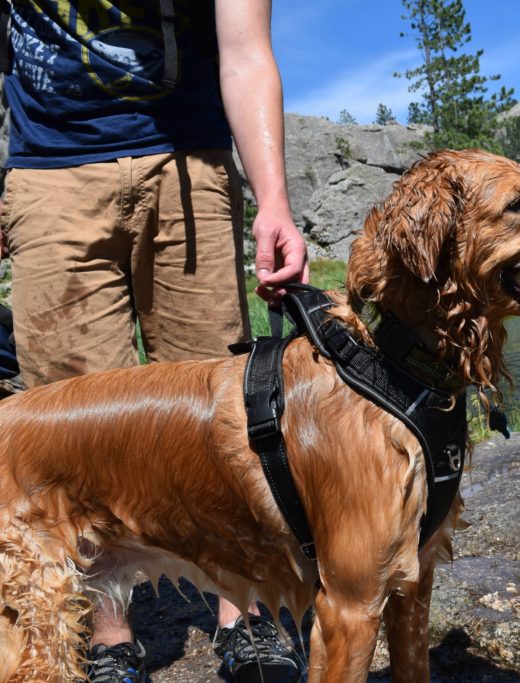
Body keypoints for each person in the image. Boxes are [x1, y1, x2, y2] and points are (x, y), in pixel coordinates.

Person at [0, 1, 308, 681]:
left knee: (218, 411)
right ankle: (110, 641)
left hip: (189, 161)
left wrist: (274, 201)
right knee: (71, 429)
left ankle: (245, 617)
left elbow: (246, 51)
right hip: (50, 172)